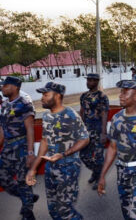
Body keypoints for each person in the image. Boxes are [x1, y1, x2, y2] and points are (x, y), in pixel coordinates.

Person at [97, 80, 136, 220]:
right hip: (122, 173)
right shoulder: (116, 119)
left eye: (125, 92)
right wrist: (102, 175)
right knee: (127, 213)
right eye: (121, 91)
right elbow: (112, 148)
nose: (121, 95)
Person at [26, 82, 90, 220]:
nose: (42, 98)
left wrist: (64, 154)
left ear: (58, 96)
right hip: (51, 167)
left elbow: (85, 139)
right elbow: (44, 141)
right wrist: (33, 168)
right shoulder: (47, 117)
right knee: (53, 209)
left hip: (68, 167)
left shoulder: (70, 115)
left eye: (45, 94)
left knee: (65, 211)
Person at [0, 77, 38, 220]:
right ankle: (27, 197)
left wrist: (30, 153)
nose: (2, 88)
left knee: (23, 181)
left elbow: (30, 129)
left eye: (5, 86)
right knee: (2, 177)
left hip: (21, 145)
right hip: (8, 147)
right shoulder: (4, 105)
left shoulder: (24, 104)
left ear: (15, 87)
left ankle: (28, 212)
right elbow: (2, 130)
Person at [79, 73, 109, 190]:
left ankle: (99, 178)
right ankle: (96, 172)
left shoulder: (102, 96)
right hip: (86, 130)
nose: (88, 82)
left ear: (96, 82)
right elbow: (82, 111)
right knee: (84, 155)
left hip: (98, 130)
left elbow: (104, 114)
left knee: (98, 157)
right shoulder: (83, 96)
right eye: (87, 80)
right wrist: (80, 128)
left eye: (90, 80)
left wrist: (103, 133)